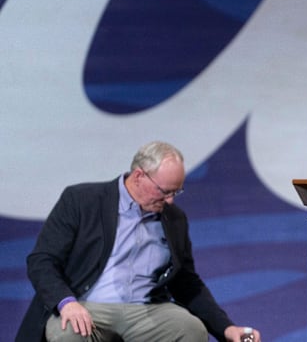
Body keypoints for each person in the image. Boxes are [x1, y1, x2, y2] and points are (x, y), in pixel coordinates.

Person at [16, 141, 262, 342]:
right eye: (164, 191)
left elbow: (187, 283)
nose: (170, 201)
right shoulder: (82, 200)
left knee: (190, 329)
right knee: (67, 332)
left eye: (176, 192)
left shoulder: (174, 219)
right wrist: (66, 303)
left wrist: (227, 329)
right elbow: (42, 261)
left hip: (147, 311)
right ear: (138, 176)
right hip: (87, 305)